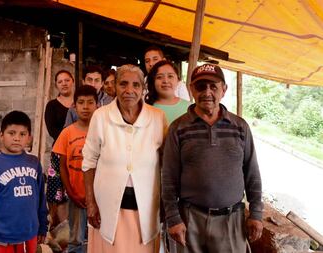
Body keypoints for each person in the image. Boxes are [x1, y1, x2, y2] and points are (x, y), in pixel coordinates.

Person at [161, 64, 263, 253]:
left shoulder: (240, 127)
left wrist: (256, 213)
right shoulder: (178, 128)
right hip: (190, 219)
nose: (207, 92)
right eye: (201, 87)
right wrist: (173, 218)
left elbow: (252, 173)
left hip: (232, 220)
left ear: (223, 90)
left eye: (213, 86)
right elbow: (168, 178)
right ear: (192, 89)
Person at [82, 64, 167, 252]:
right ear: (113, 87)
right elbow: (88, 162)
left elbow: (165, 165)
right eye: (123, 84)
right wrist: (91, 203)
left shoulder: (157, 118)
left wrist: (165, 203)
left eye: (136, 85)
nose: (129, 90)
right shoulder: (101, 116)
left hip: (146, 210)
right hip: (107, 210)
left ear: (143, 88)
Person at [0, 110, 48, 253]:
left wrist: (42, 226)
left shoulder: (34, 162)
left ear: (29, 138)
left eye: (22, 134)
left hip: (27, 236)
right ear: (1, 135)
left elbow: (40, 199)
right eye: (11, 133)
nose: (17, 138)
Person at [52, 85, 98, 253]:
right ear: (74, 106)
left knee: (99, 235)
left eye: (90, 102)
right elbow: (62, 166)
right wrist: (70, 192)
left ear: (97, 105)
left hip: (100, 197)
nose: (85, 107)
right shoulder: (67, 133)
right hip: (76, 195)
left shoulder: (102, 131)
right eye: (81, 102)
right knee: (76, 238)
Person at [44, 70, 75, 230]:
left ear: (73, 81)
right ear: (56, 84)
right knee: (57, 189)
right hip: (60, 152)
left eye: (67, 80)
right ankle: (58, 225)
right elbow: (52, 131)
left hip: (79, 153)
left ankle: (75, 225)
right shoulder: (52, 105)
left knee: (75, 187)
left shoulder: (79, 103)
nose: (64, 83)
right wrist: (71, 139)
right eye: (60, 81)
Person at [145, 60, 190, 125]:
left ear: (178, 80)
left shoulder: (190, 108)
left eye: (170, 76)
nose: (165, 81)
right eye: (159, 77)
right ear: (153, 82)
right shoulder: (146, 109)